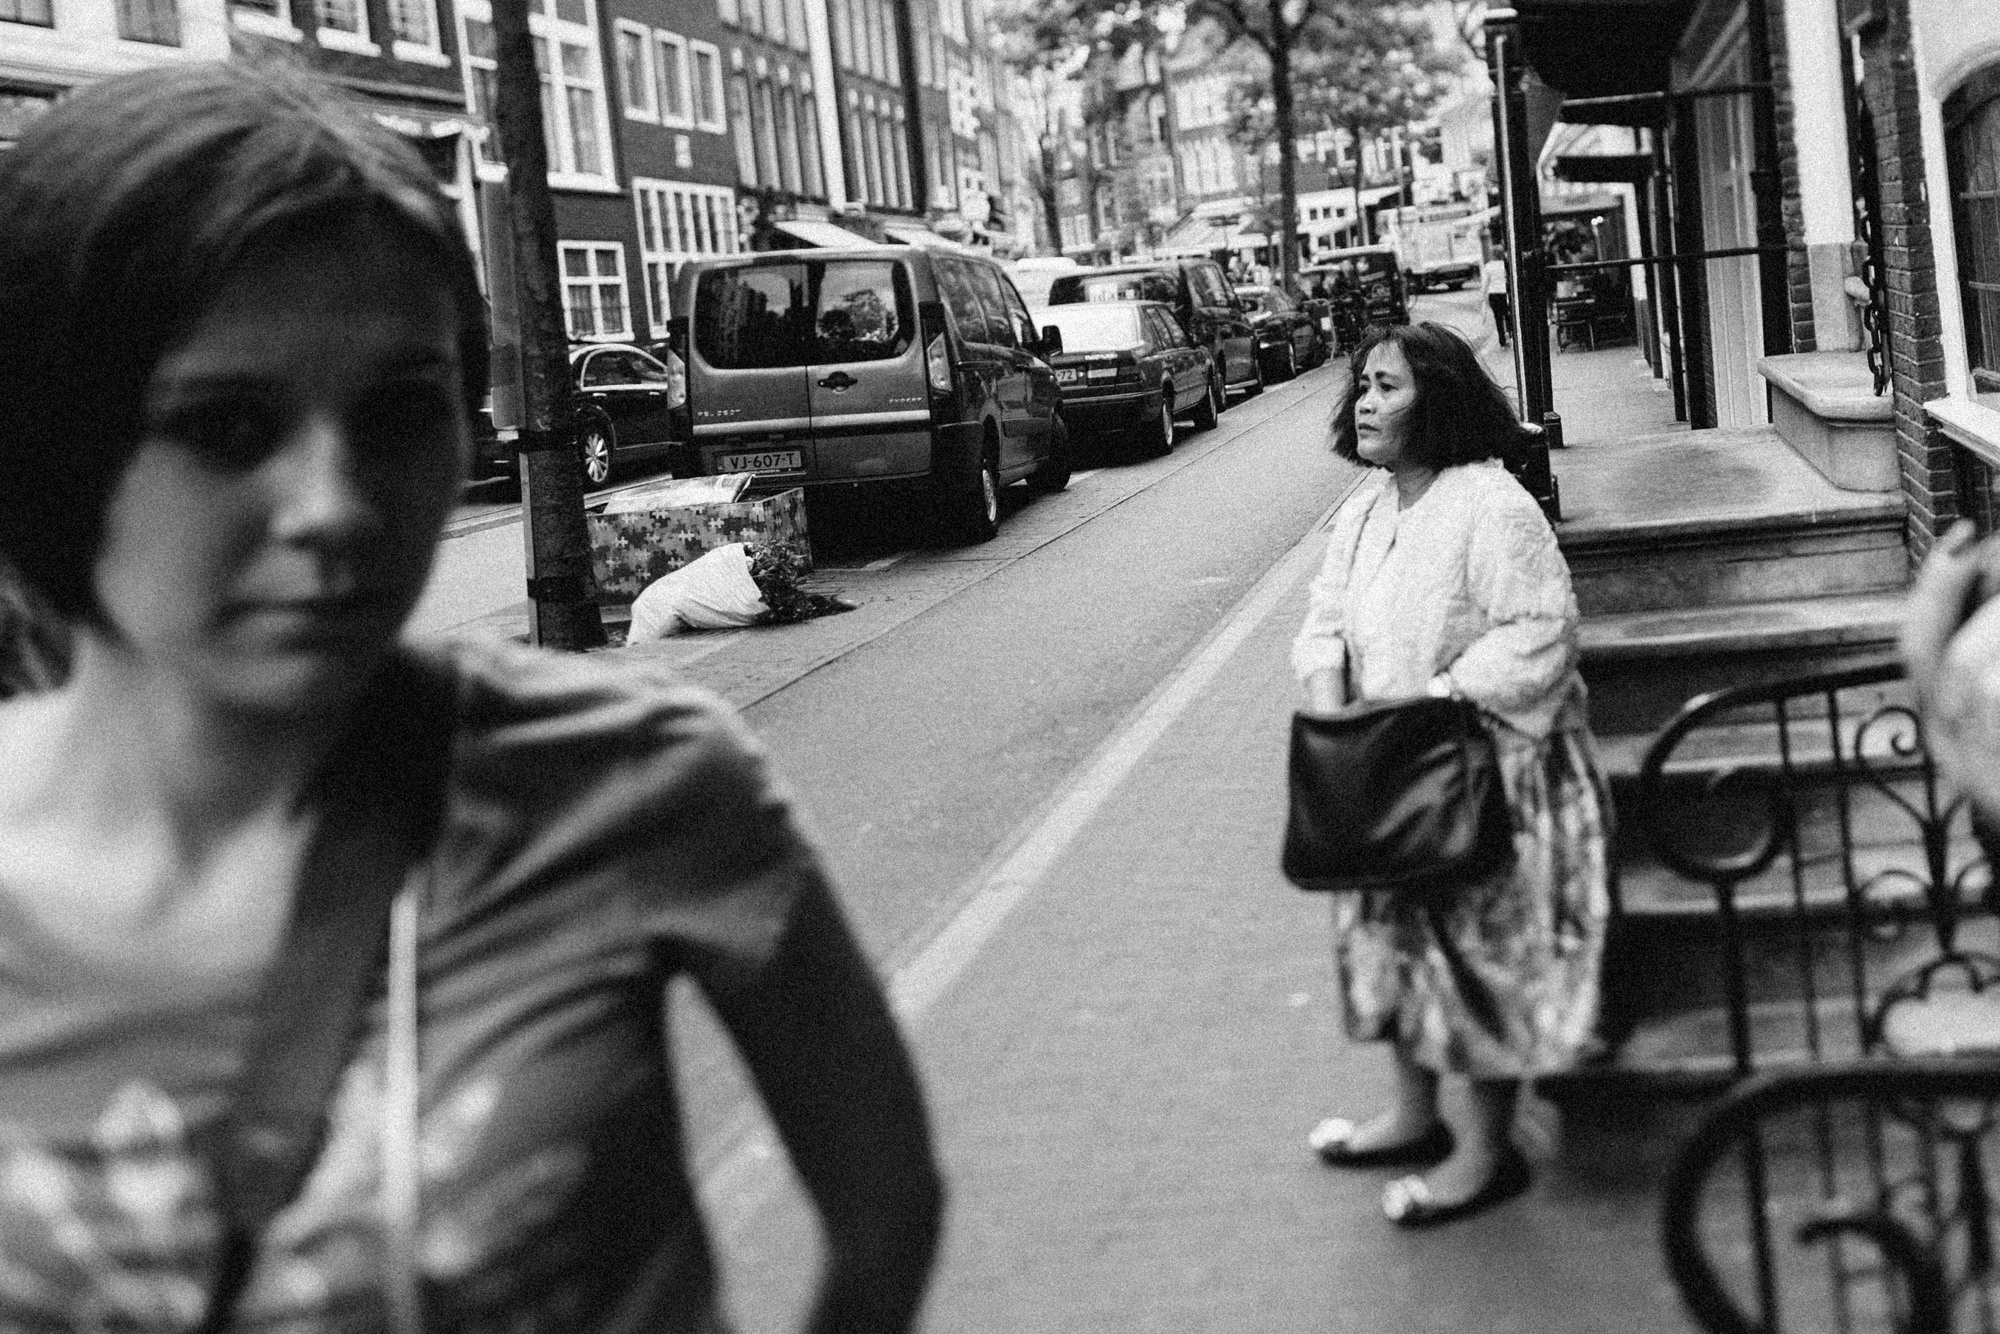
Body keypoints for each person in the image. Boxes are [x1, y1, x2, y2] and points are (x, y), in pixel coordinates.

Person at [0, 61, 942, 1332]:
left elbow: (883, 1209)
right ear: (48, 440)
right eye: (224, 427)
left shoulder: (634, 778)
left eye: (399, 410)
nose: (333, 506)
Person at [1290, 322, 1610, 1228]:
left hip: (1486, 773)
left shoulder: (1490, 503)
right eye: (1362, 385)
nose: (1364, 400)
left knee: (1470, 959)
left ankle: (1484, 1155)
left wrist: (1435, 701)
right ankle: (1415, 1116)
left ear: (1442, 400)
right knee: (1393, 943)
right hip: (1391, 769)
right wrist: (1329, 701)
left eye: (1388, 386)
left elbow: (1542, 632)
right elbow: (1324, 619)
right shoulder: (1363, 511)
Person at [1481, 252, 1512, 348]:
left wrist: (1483, 295)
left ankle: (1502, 341)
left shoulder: (1488, 266)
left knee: (1498, 318)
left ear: (1493, 255)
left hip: (1493, 294)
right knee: (1507, 314)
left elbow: (1485, 282)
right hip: (1504, 293)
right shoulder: (1506, 265)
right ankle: (1509, 333)